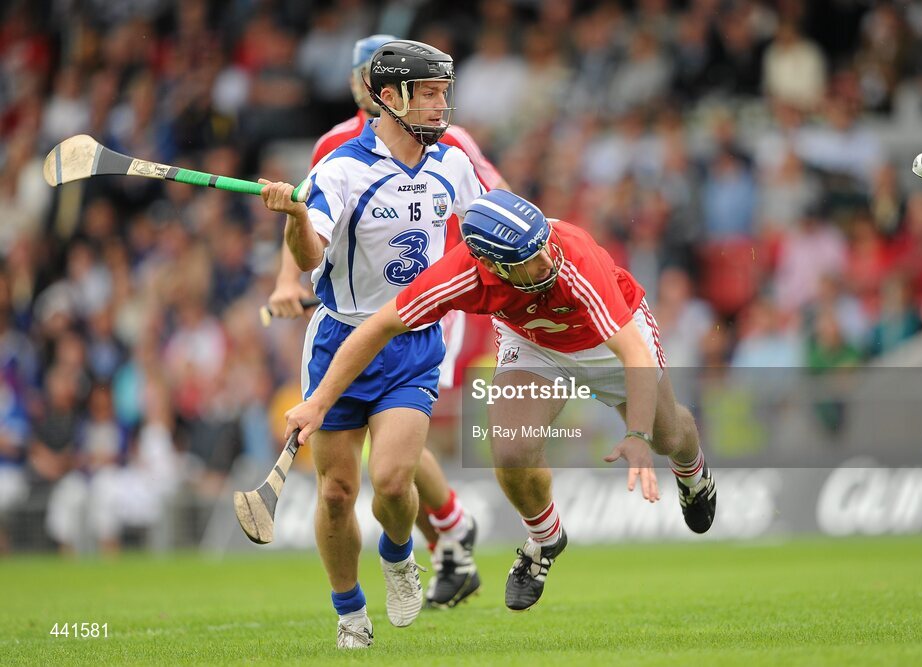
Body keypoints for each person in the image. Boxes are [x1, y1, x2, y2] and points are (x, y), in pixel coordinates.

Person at [282, 189, 717, 613]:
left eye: (542, 246)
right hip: (533, 344)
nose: (546, 260)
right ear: (492, 265)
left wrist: (637, 433)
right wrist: (319, 401)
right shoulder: (462, 274)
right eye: (529, 261)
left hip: (608, 339)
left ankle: (693, 471)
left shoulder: (574, 259)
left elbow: (633, 353)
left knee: (666, 435)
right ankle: (545, 539)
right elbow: (377, 327)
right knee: (510, 448)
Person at [268, 34, 507, 613]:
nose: (439, 106)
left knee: (393, 481)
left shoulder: (452, 155)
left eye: (441, 93)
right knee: (336, 492)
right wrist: (296, 222)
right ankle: (350, 612)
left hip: (413, 337)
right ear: (390, 96)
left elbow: (492, 219)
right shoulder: (339, 164)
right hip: (340, 339)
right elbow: (308, 256)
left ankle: (403, 552)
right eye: (427, 94)